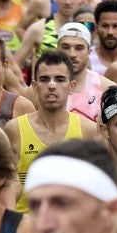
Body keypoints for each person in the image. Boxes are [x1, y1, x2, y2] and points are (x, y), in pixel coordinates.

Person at [15, 53, 92, 212]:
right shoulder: (14, 130)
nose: (51, 85)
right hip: (26, 228)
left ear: (71, 86)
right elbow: (7, 187)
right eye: (44, 79)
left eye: (59, 79)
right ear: (34, 86)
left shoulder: (88, 130)